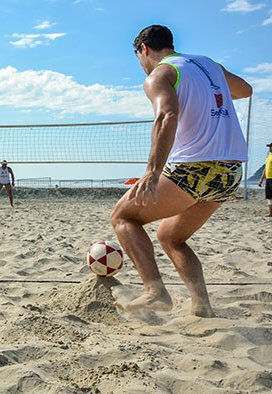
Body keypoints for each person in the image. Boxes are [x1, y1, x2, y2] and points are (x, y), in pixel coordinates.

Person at [111, 25, 252, 317]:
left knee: (123, 217)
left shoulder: (159, 74)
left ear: (145, 50)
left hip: (194, 169)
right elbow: (245, 90)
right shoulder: (209, 65)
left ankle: (155, 291)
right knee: (171, 237)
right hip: (229, 173)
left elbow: (166, 115)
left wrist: (152, 172)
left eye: (138, 57)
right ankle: (202, 307)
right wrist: (209, 93)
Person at [258, 142, 272, 217]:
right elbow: (266, 169)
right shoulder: (269, 156)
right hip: (268, 179)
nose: (269, 148)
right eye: (269, 147)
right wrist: (261, 180)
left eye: (271, 147)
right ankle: (270, 213)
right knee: (269, 196)